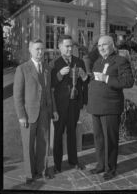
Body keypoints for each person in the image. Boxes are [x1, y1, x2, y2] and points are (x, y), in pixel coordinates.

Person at [86, 35, 134, 180]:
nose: (101, 48)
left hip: (110, 107)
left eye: (104, 45)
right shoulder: (98, 61)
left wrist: (106, 78)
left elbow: (128, 81)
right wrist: (86, 78)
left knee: (110, 140)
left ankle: (111, 168)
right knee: (98, 138)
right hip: (96, 106)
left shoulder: (120, 60)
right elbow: (95, 80)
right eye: (99, 45)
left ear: (112, 45)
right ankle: (101, 165)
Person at [13, 38, 59, 184]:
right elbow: (17, 95)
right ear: (30, 50)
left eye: (42, 49)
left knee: (43, 143)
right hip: (29, 114)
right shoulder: (22, 69)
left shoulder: (47, 68)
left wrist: (54, 110)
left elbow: (49, 92)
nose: (40, 52)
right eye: (37, 49)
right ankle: (29, 174)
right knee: (28, 144)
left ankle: (42, 170)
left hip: (45, 112)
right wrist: (21, 116)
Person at [51, 35, 88, 173]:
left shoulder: (79, 61)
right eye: (66, 46)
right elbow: (50, 85)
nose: (70, 48)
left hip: (74, 104)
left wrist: (84, 77)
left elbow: (85, 83)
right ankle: (57, 165)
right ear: (60, 47)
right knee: (58, 134)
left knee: (72, 133)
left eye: (71, 46)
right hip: (60, 106)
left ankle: (73, 161)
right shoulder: (53, 63)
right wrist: (59, 75)